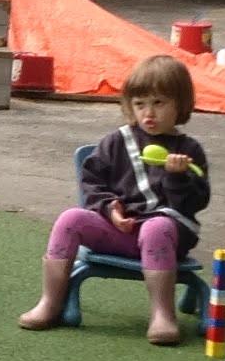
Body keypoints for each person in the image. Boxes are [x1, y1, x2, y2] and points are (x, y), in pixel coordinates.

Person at [18, 52, 212, 346]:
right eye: (140, 104)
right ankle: (50, 302)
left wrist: (177, 177)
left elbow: (196, 203)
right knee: (70, 218)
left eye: (159, 103)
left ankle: (162, 314)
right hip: (120, 230)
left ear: (180, 104)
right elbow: (92, 184)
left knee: (156, 227)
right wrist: (111, 209)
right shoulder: (117, 142)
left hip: (166, 236)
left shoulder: (189, 150)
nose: (149, 113)